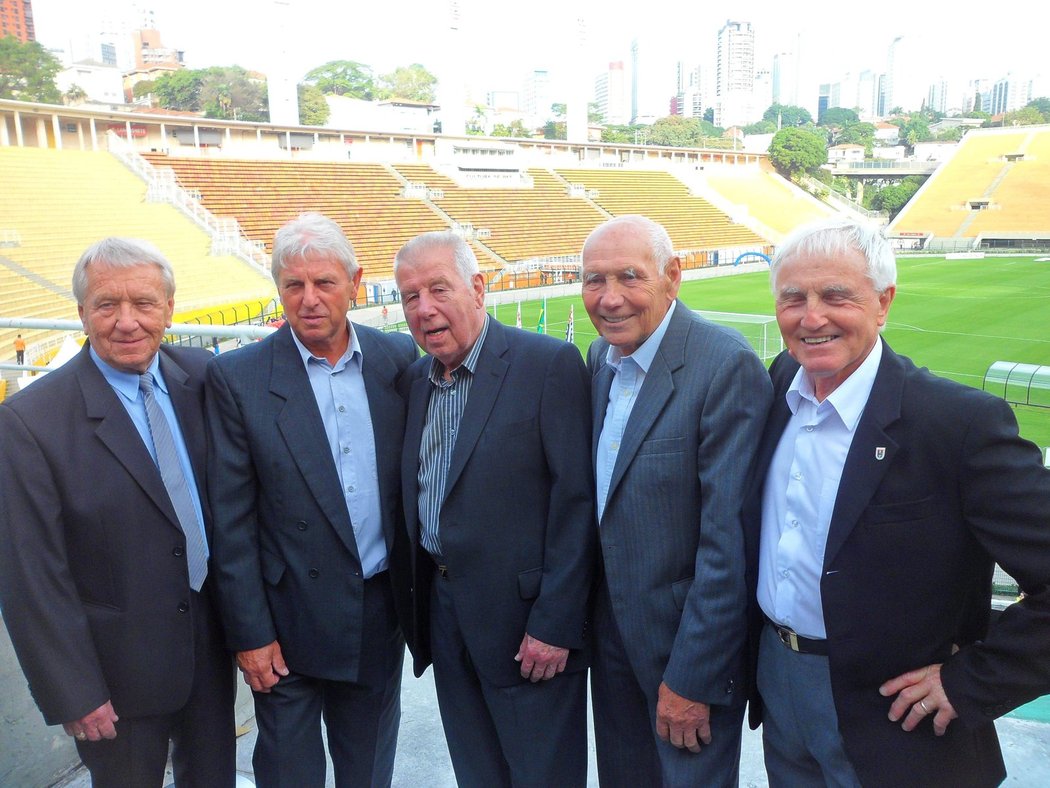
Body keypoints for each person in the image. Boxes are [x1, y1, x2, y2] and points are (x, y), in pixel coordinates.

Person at [744, 217, 1050, 787]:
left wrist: (971, 683)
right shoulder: (782, 380)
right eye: (793, 298)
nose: (812, 318)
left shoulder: (957, 423)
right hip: (778, 683)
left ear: (883, 303)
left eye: (836, 295)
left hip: (895, 718)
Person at [0, 238, 235, 786]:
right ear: (81, 312)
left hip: (211, 651)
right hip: (115, 680)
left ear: (170, 309)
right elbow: (31, 575)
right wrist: (74, 690)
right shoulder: (30, 421)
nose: (127, 322)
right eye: (107, 305)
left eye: (144, 303)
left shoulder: (202, 377)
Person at [205, 213, 417, 787]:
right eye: (293, 285)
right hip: (286, 621)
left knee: (368, 766)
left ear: (356, 281)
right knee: (289, 770)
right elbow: (230, 521)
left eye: (324, 283)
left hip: (377, 613)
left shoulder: (398, 362)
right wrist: (250, 633)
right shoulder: (238, 378)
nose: (309, 299)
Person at [394, 230, 595, 787]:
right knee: (476, 771)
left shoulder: (547, 365)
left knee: (542, 776)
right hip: (445, 616)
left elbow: (576, 503)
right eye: (410, 296)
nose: (425, 308)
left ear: (478, 289)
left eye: (439, 288)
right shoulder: (415, 380)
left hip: (527, 628)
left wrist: (556, 622)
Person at [581, 214, 772, 787]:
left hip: (685, 655)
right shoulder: (600, 360)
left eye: (629, 277)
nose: (610, 298)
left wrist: (693, 676)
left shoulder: (724, 365)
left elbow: (727, 545)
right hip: (613, 640)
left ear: (673, 276)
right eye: (594, 280)